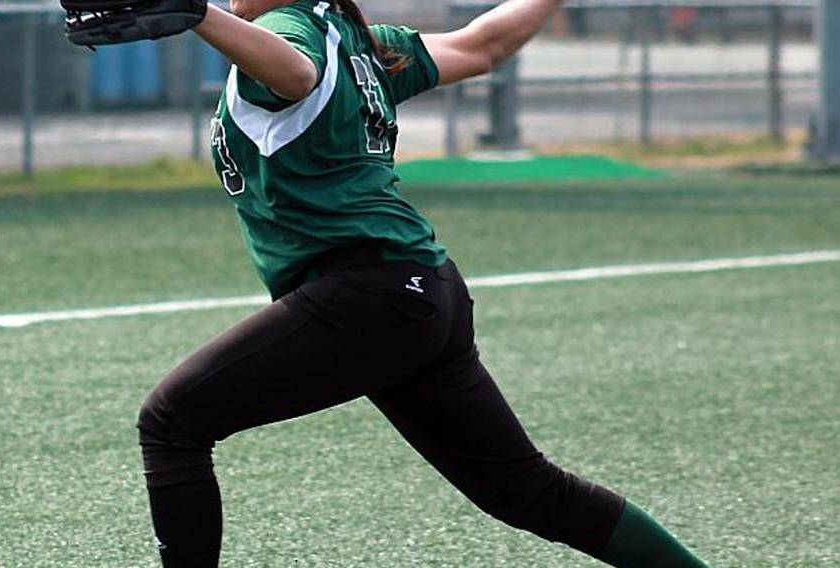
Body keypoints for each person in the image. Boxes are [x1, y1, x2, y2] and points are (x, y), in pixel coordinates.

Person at [137, 1, 712, 566]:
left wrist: (199, 15)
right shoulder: (361, 42)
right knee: (529, 491)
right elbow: (484, 44)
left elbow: (297, 72)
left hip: (368, 296)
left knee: (173, 419)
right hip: (419, 291)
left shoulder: (288, 28)